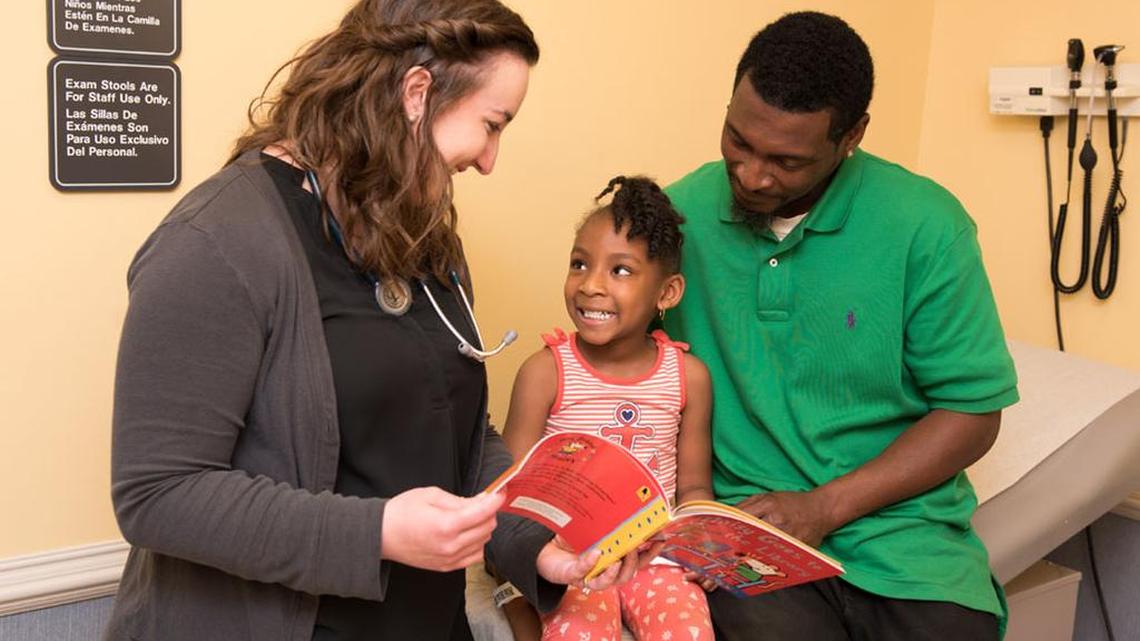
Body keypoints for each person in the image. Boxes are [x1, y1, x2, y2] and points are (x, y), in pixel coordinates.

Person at [105, 2, 642, 640]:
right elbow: (159, 494)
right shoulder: (216, 240)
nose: (490, 160)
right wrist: (380, 532)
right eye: (492, 125)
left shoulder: (420, 230)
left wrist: (537, 547)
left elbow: (459, 440)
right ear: (417, 94)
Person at [661, 11, 1020, 641]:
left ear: (851, 137)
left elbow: (972, 412)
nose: (749, 175)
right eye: (738, 141)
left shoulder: (926, 227)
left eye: (786, 161)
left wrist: (825, 506)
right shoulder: (679, 218)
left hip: (902, 539)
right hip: (749, 528)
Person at [498, 176, 717, 641]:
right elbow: (508, 489)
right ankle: (524, 604)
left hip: (654, 556)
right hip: (569, 555)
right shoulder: (546, 372)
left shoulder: (688, 377)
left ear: (667, 293)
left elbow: (695, 485)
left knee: (689, 631)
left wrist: (704, 545)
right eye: (580, 264)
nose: (590, 285)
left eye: (620, 271)